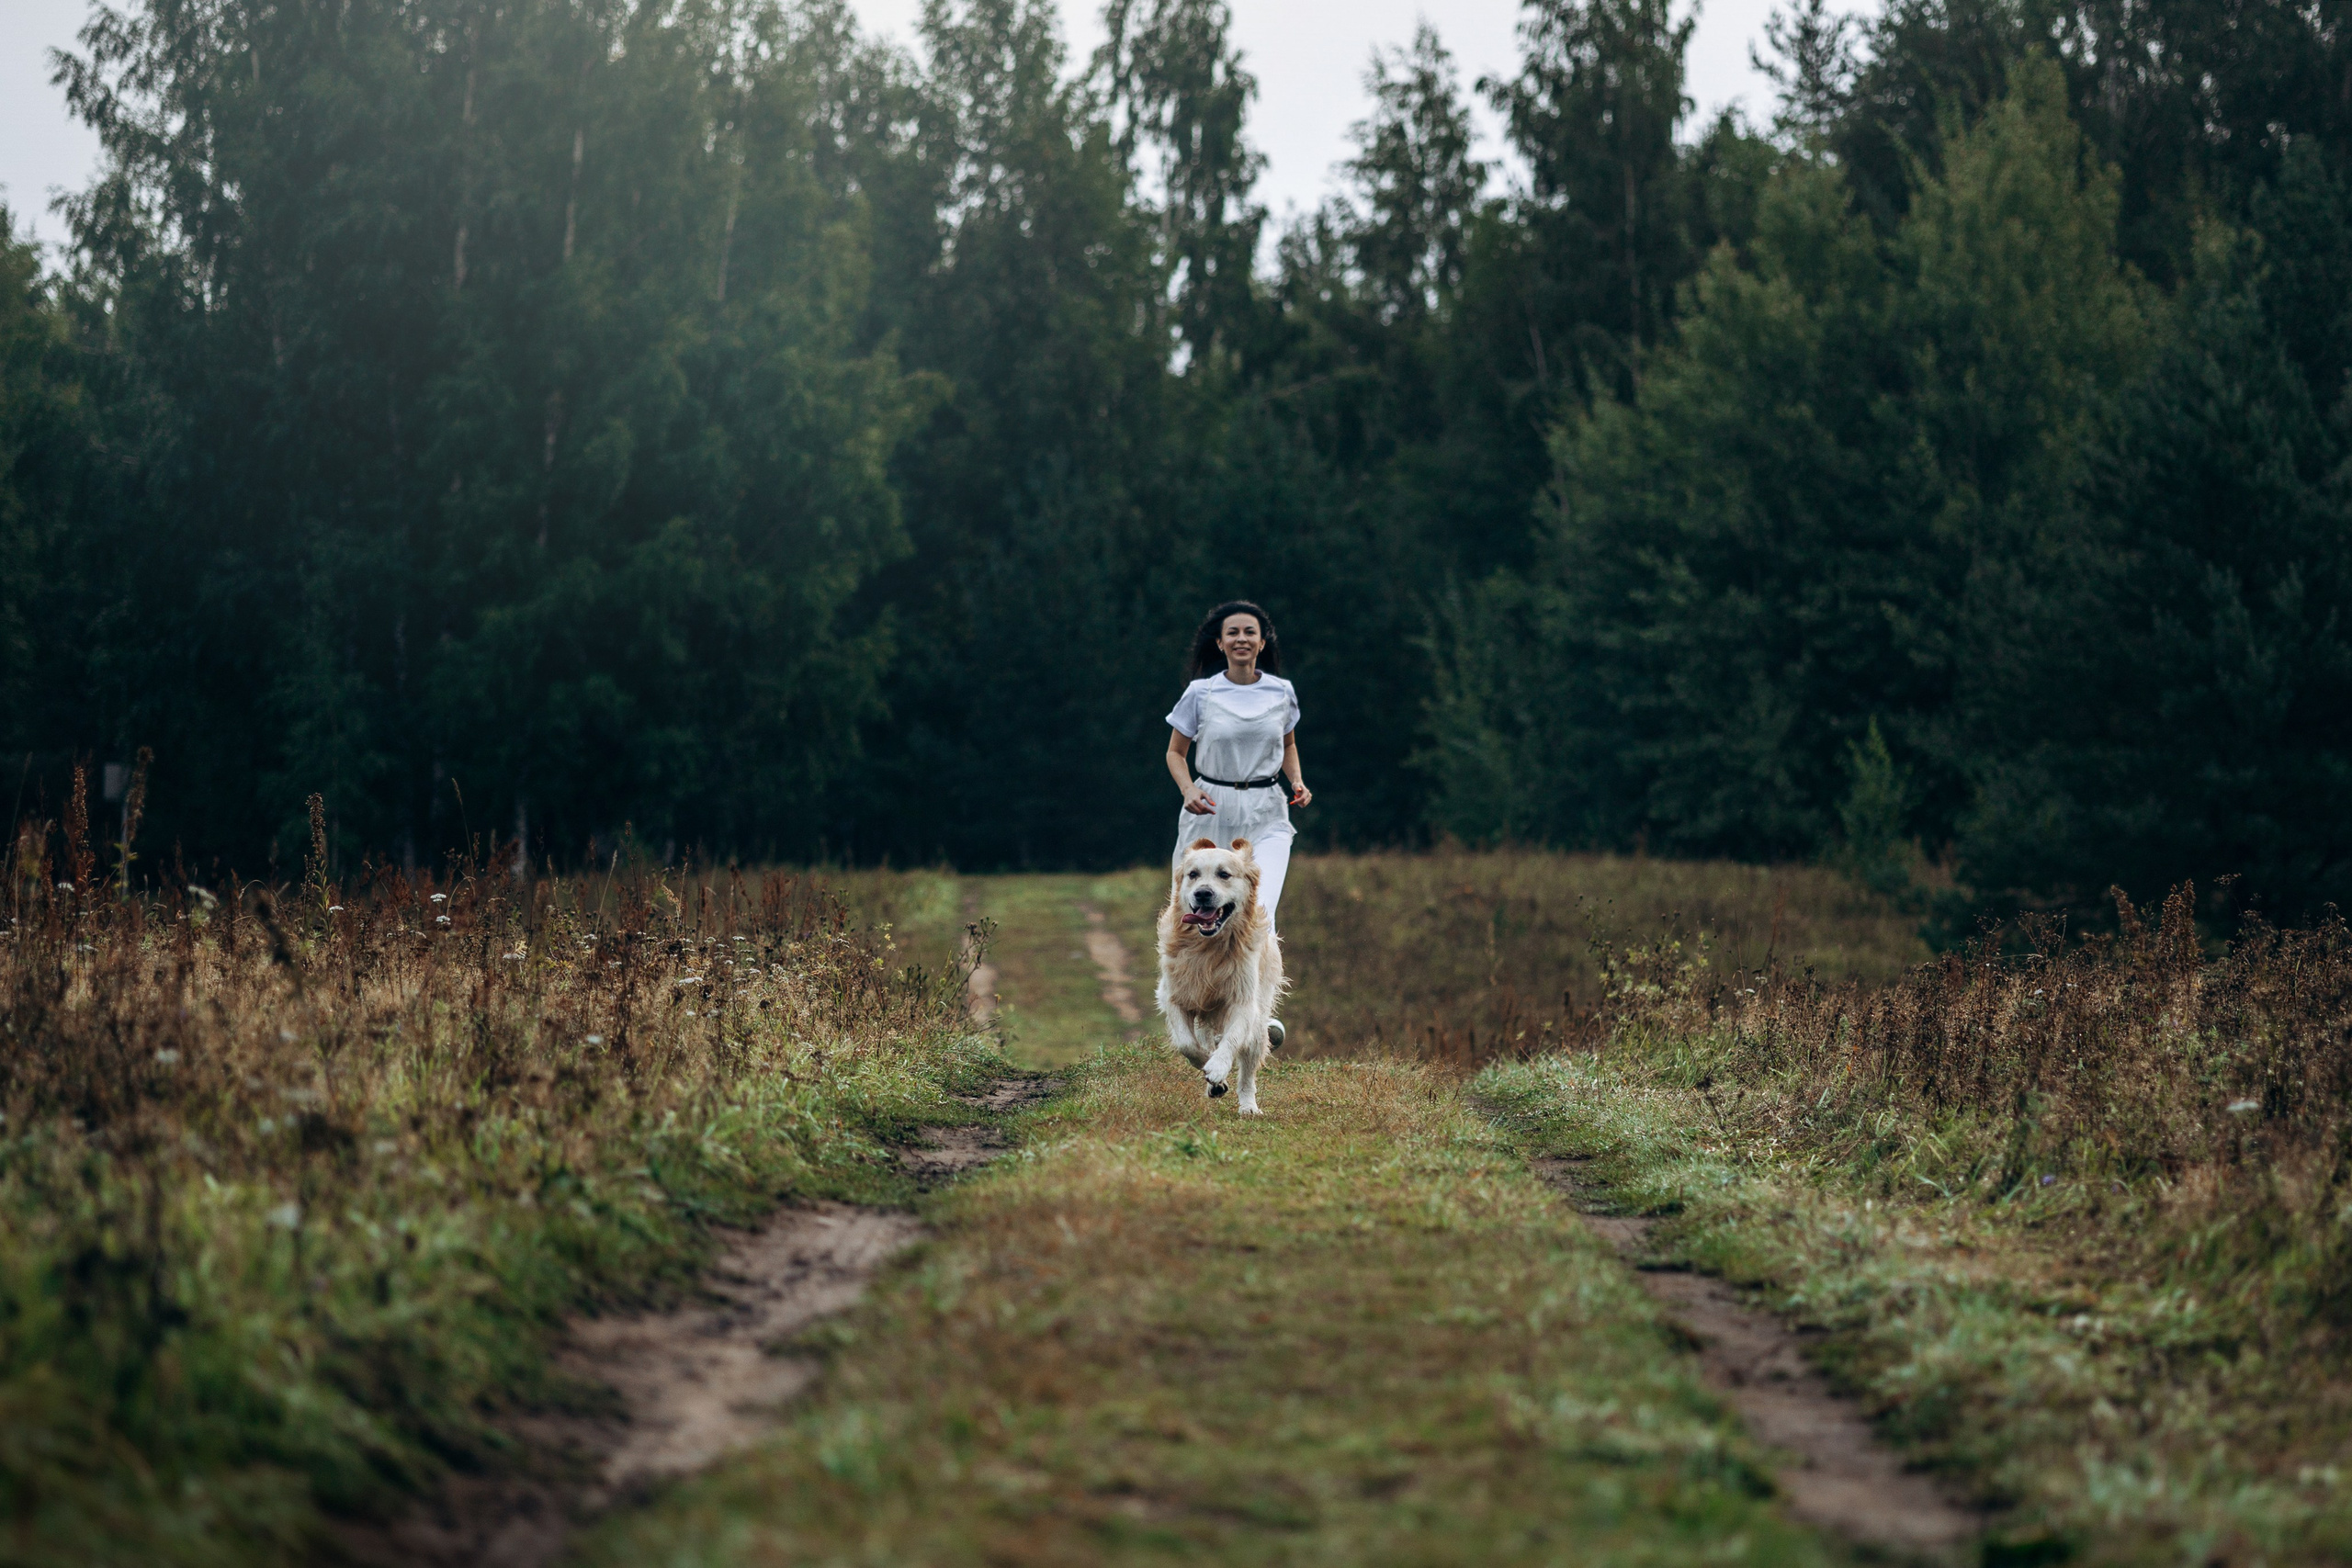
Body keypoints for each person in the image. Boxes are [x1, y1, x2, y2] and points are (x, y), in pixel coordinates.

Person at [1164, 599, 1312, 929]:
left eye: (1249, 632)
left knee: (1260, 912)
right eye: (1232, 633)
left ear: (1262, 642)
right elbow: (1175, 753)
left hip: (1266, 811)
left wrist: (1297, 781)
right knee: (1191, 915)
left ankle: (1260, 966)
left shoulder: (1282, 692)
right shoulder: (1201, 693)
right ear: (1220, 643)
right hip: (1210, 809)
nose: (1241, 638)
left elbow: (1288, 744)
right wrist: (1188, 790)